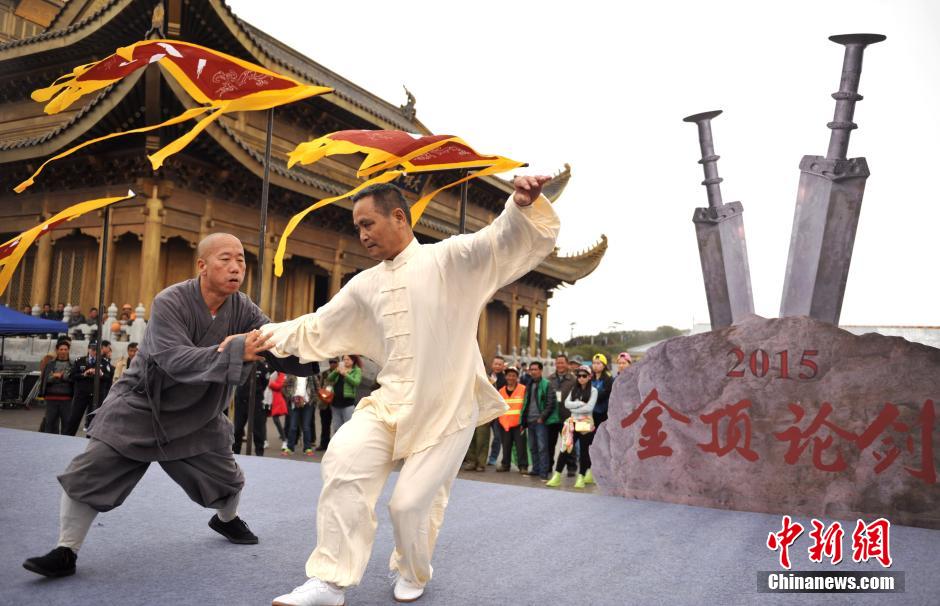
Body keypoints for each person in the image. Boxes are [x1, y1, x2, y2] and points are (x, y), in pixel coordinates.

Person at [262, 175, 558, 605]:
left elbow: (499, 240)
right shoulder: (364, 284)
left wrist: (522, 206)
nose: (362, 235)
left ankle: (412, 568)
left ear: (399, 217)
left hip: (449, 406)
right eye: (357, 227)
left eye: (368, 224)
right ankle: (329, 581)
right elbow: (317, 325)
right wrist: (264, 336)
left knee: (409, 505)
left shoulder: (450, 258)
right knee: (343, 460)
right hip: (389, 402)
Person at [22, 232, 314, 579]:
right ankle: (65, 550)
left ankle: (226, 520)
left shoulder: (243, 307)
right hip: (143, 405)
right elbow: (174, 358)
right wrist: (236, 348)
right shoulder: (170, 301)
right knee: (91, 470)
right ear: (202, 265)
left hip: (200, 411)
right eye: (226, 259)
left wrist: (317, 344)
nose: (236, 267)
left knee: (227, 481)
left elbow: (273, 338)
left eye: (241, 260)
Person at [546, 364, 598, 489]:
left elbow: (589, 408)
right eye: (579, 375)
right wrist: (579, 404)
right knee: (565, 448)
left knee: (585, 451)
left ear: (589, 377)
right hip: (572, 422)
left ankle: (582, 476)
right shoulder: (574, 389)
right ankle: (557, 475)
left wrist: (575, 407)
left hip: (585, 423)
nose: (581, 378)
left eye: (584, 375)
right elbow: (566, 404)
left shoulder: (593, 390)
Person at [63, 342, 112, 436]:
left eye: (97, 349)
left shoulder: (105, 362)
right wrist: (84, 374)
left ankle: (89, 441)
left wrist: (100, 374)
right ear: (88, 349)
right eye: (93, 349)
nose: (95, 351)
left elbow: (108, 378)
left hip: (96, 395)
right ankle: (67, 437)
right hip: (81, 394)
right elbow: (72, 376)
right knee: (74, 418)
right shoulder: (80, 361)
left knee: (93, 420)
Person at [519, 361, 555, 480]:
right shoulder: (528, 384)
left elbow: (551, 403)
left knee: (542, 447)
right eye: (531, 369)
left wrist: (542, 418)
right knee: (533, 447)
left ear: (540, 371)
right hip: (529, 421)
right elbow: (525, 404)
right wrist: (523, 421)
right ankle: (535, 469)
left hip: (540, 422)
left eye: (535, 369)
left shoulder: (547, 384)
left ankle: (544, 472)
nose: (533, 371)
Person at [547, 354, 577, 477]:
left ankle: (571, 467)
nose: (560, 365)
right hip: (552, 417)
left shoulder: (574, 379)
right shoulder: (550, 379)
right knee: (550, 444)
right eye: (558, 363)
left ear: (567, 364)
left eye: (562, 363)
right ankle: (548, 466)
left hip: (567, 416)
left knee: (568, 443)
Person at [496, 366, 527, 474]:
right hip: (504, 423)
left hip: (519, 424)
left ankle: (523, 466)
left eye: (513, 375)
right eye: (509, 375)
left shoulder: (523, 389)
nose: (511, 377)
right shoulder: (501, 391)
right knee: (506, 445)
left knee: (521, 447)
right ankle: (505, 464)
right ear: (505, 377)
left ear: (517, 377)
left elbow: (525, 405)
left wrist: (524, 422)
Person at [233, 362, 269, 456]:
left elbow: (265, 382)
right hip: (241, 402)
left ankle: (259, 454)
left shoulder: (261, 366)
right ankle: (236, 454)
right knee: (237, 430)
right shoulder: (240, 364)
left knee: (258, 431)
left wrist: (257, 393)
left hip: (256, 402)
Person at [40, 340, 73, 434]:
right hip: (51, 398)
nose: (63, 351)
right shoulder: (50, 364)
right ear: (57, 350)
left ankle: (65, 446)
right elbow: (47, 379)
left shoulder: (72, 365)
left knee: (67, 425)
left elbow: (72, 378)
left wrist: (59, 376)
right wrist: (57, 376)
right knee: (49, 424)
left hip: (67, 399)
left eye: (65, 349)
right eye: (61, 349)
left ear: (68, 350)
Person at [282, 373, 316, 456]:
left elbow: (317, 388)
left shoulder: (311, 375)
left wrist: (312, 400)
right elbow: (284, 388)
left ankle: (307, 448)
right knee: (293, 427)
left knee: (306, 427)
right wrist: (291, 397)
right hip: (294, 404)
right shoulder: (291, 375)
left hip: (308, 404)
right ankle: (290, 448)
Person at [326, 354, 362, 434]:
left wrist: (345, 374)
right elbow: (329, 378)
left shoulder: (357, 370)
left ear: (353, 360)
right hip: (335, 403)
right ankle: (337, 446)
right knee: (336, 428)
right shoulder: (340, 369)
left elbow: (356, 382)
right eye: (344, 359)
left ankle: (348, 446)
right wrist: (336, 371)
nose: (346, 361)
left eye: (348, 359)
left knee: (348, 428)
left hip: (348, 404)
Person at [486, 355, 507, 465]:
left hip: (498, 412)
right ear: (492, 364)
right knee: (482, 436)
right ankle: (479, 458)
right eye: (496, 364)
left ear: (503, 366)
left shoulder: (506, 379)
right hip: (486, 410)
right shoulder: (485, 376)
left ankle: (493, 457)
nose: (497, 366)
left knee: (497, 436)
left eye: (500, 364)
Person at [314, 359, 338, 451]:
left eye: (334, 362)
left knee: (336, 425)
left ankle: (334, 446)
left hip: (336, 402)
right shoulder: (324, 373)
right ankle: (324, 444)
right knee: (325, 425)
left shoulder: (340, 373)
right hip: (325, 402)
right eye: (331, 362)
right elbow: (319, 386)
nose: (332, 364)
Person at [591, 353, 614, 433]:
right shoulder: (590, 377)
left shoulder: (608, 378)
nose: (595, 365)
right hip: (591, 413)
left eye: (598, 363)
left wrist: (590, 396)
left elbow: (603, 395)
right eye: (594, 363)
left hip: (603, 413)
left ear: (604, 365)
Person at [269, 371, 289, 449]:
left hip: (277, 400)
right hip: (268, 398)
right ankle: (264, 440)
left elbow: (280, 386)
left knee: (276, 419)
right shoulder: (274, 373)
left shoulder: (282, 373)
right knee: (262, 419)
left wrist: (270, 383)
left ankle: (284, 440)